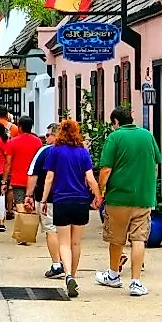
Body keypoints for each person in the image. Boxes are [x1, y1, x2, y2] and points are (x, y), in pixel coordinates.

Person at [95, 107, 162, 297]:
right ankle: (135, 281)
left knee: (116, 239)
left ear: (116, 121)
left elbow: (106, 170)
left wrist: (101, 192)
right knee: (138, 239)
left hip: (118, 198)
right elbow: (155, 164)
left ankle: (114, 275)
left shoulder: (115, 138)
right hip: (143, 198)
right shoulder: (147, 136)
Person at [40, 119, 102, 298]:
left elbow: (49, 178)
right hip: (81, 201)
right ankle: (73, 275)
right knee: (76, 243)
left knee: (64, 242)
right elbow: (90, 179)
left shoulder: (55, 151)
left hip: (61, 201)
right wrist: (98, 197)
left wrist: (44, 200)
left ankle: (67, 275)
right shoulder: (83, 152)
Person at [25, 123, 63, 278]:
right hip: (70, 198)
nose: (45, 138)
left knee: (51, 230)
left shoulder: (45, 151)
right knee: (67, 232)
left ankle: (56, 264)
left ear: (56, 135)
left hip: (48, 198)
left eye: (48, 135)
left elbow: (33, 175)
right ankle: (69, 263)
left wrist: (29, 195)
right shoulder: (77, 150)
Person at [3, 116, 44, 233]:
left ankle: (23, 231)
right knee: (30, 202)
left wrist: (4, 180)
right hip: (34, 179)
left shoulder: (12, 142)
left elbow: (8, 163)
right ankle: (28, 230)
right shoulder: (38, 142)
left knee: (19, 203)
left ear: (19, 127)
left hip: (18, 178)